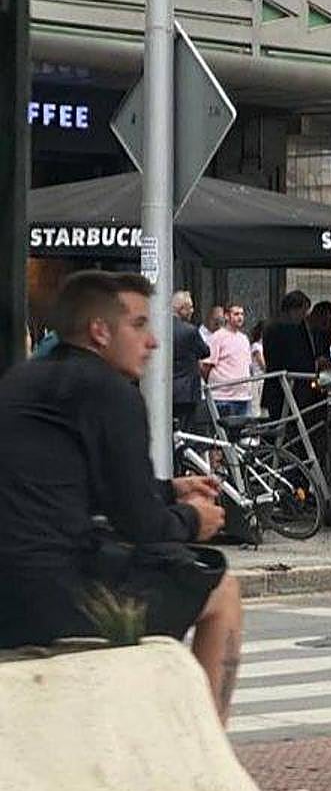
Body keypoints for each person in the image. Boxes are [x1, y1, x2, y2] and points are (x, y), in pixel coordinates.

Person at [0, 271, 242, 724]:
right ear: (100, 330)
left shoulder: (23, 382)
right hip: (55, 596)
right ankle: (212, 754)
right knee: (221, 591)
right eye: (139, 325)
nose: (152, 342)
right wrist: (193, 519)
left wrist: (171, 490)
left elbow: (82, 488)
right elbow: (142, 527)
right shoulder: (110, 392)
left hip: (9, 590)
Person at [262, 290, 315, 421]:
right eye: (302, 312)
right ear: (293, 310)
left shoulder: (298, 327)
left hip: (296, 386)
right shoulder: (279, 329)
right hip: (285, 386)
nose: (303, 316)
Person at [204, 303, 254, 419]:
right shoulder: (217, 337)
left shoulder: (244, 339)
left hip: (243, 396)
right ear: (226, 316)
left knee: (242, 434)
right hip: (223, 397)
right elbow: (206, 365)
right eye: (236, 314)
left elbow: (247, 365)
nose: (240, 317)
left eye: (242, 314)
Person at [170, 290, 208, 428]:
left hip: (165, 389)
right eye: (190, 307)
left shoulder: (159, 328)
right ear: (181, 309)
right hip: (186, 390)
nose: (192, 311)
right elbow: (205, 351)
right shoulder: (190, 331)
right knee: (186, 430)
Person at [249, 320, 267, 417]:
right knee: (256, 407)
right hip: (258, 379)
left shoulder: (265, 345)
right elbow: (262, 364)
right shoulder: (256, 346)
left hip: (264, 379)